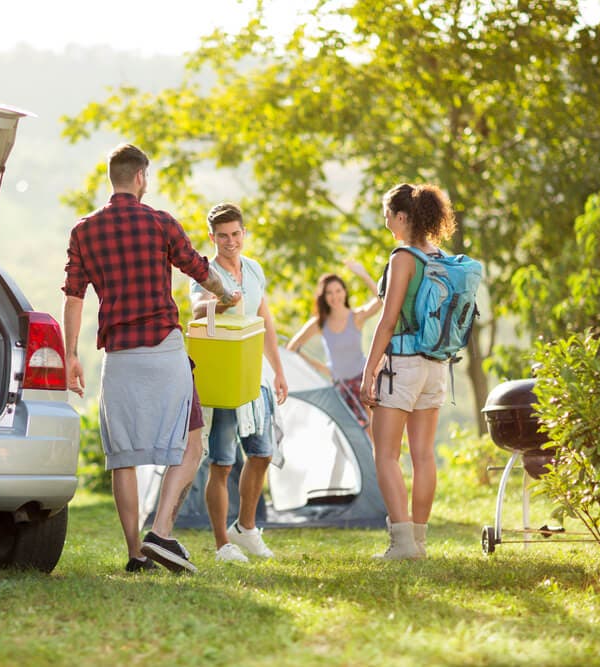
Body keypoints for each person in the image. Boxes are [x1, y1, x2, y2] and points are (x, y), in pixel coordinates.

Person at [62, 143, 239, 574]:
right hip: (163, 348)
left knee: (124, 455)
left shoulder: (83, 231)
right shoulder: (160, 222)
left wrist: (70, 355)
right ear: (140, 177)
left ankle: (136, 555)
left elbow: (72, 296)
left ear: (114, 178)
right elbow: (199, 268)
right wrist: (228, 293)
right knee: (192, 441)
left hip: (118, 355)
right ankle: (161, 531)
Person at [359, 183, 457, 560]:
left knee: (385, 455)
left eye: (387, 215)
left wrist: (369, 373)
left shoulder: (403, 257)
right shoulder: (440, 256)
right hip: (436, 366)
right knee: (423, 456)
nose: (385, 222)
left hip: (402, 366)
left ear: (402, 217)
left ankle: (401, 545)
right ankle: (418, 542)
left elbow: (387, 322)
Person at [189, 202, 288, 563]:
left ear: (243, 233)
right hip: (225, 376)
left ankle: (245, 530)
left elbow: (266, 319)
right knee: (222, 462)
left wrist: (277, 369)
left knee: (262, 452)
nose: (230, 242)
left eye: (235, 234)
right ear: (212, 237)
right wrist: (222, 301)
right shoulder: (205, 271)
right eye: (222, 236)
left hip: (255, 373)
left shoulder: (254, 269)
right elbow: (196, 308)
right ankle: (222, 545)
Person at [286, 262, 382, 437]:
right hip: (341, 389)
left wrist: (363, 274)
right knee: (346, 438)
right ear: (324, 297)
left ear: (345, 292)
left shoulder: (356, 317)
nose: (334, 296)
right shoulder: (320, 323)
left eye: (338, 291)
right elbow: (292, 347)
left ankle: (380, 465)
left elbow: (381, 300)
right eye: (329, 292)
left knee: (373, 435)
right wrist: (320, 368)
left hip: (363, 383)